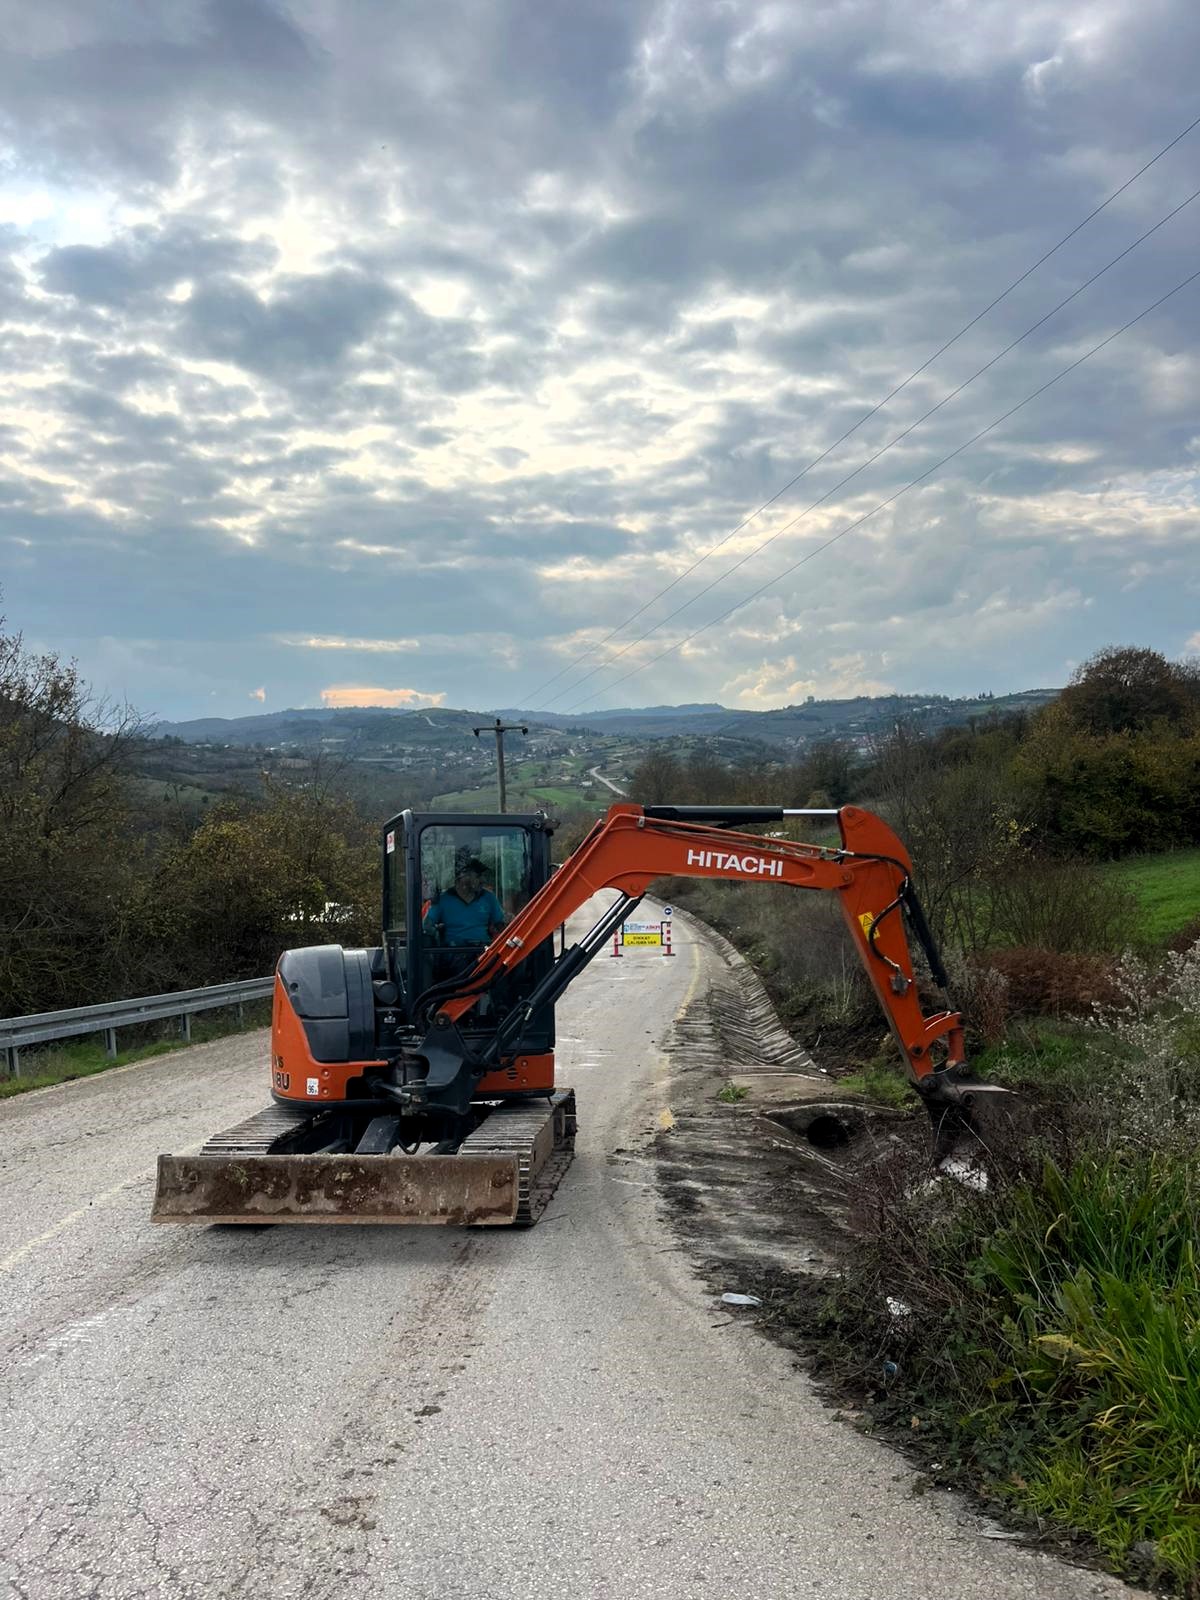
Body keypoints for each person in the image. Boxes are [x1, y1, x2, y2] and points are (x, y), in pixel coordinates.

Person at [422, 858, 508, 947]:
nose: (483, 880)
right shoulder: (443, 899)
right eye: (478, 876)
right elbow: (426, 927)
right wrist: (438, 934)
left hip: (483, 953)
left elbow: (501, 925)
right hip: (453, 953)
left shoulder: (489, 898)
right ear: (463, 877)